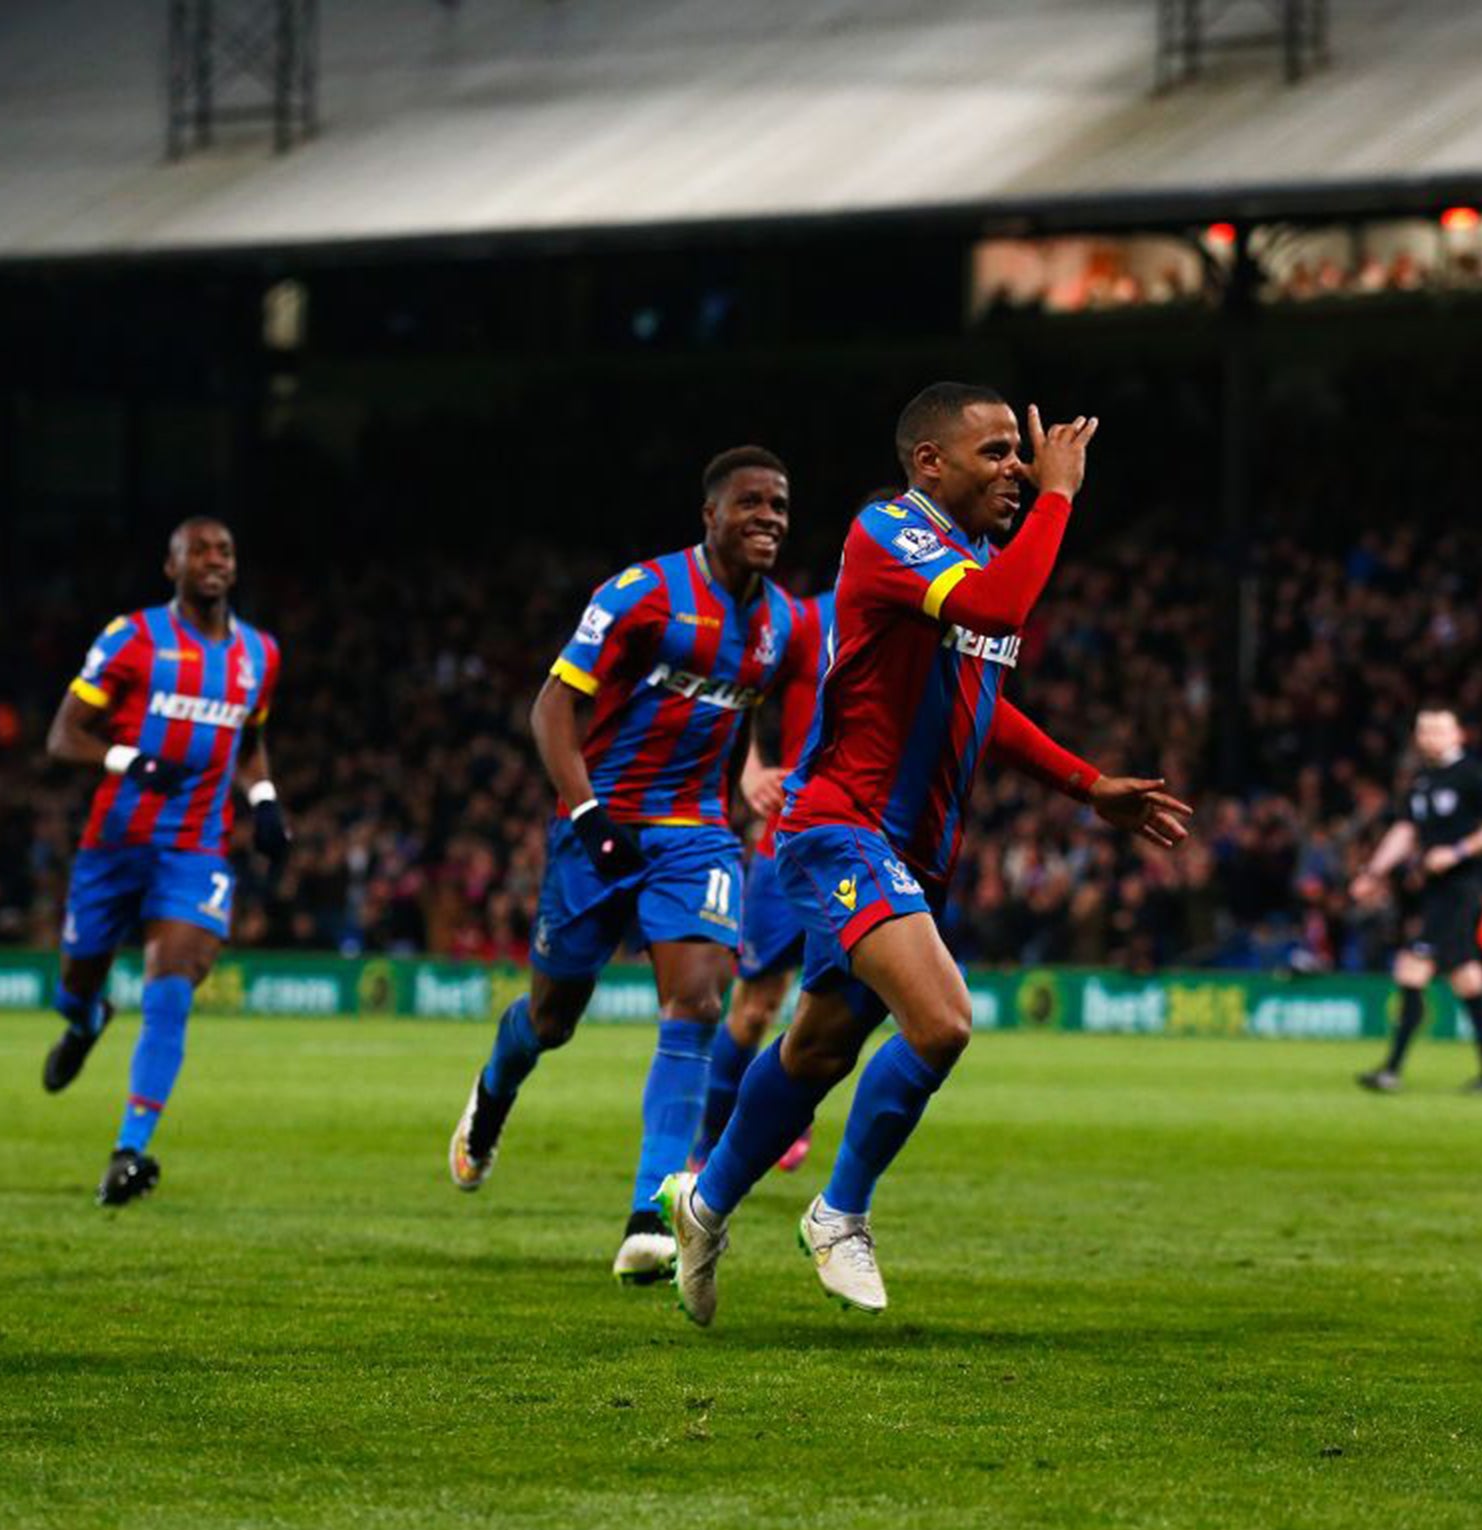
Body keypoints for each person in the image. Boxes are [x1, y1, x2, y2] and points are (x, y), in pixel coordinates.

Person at [659, 383, 1193, 1326]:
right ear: (929, 462)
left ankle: (702, 1206)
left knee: (819, 1047)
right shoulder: (889, 534)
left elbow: (982, 702)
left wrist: (1087, 784)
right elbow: (1003, 606)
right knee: (943, 1022)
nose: (1019, 472)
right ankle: (839, 1213)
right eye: (995, 453)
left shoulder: (970, 558)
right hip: (840, 826)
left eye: (1023, 457)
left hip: (915, 849)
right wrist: (1065, 494)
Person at [446, 446, 823, 1286]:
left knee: (695, 1000)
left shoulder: (787, 624)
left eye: (782, 506)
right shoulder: (643, 594)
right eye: (751, 503)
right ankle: (494, 1089)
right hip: (601, 821)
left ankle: (651, 1211)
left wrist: (773, 773)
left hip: (696, 832)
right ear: (710, 516)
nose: (768, 518)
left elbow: (799, 704)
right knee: (552, 1017)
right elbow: (554, 706)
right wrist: (585, 814)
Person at [41, 518, 289, 1205]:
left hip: (196, 849)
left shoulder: (259, 654)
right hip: (113, 846)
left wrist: (264, 798)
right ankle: (86, 1019)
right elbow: (63, 736)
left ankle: (129, 1151)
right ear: (171, 565)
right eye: (200, 551)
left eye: (226, 552)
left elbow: (252, 737)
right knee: (74, 982)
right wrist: (128, 759)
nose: (215, 560)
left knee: (172, 978)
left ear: (235, 569)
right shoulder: (132, 638)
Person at [690, 586, 837, 1177]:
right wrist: (749, 771)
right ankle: (706, 1148)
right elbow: (735, 684)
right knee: (753, 1010)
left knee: (832, 1009)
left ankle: (788, 1106)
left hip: (871, 847)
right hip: (791, 843)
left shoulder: (935, 623)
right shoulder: (807, 621)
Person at [1351, 709, 1482, 1092]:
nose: (1430, 737)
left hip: (1461, 890)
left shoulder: (1474, 774)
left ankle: (1391, 1071)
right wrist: (1372, 873)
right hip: (1435, 893)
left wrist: (1457, 851)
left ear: (1458, 733)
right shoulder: (1423, 781)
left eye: (1438, 729)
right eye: (1423, 730)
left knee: (1412, 967)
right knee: (1467, 978)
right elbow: (1405, 831)